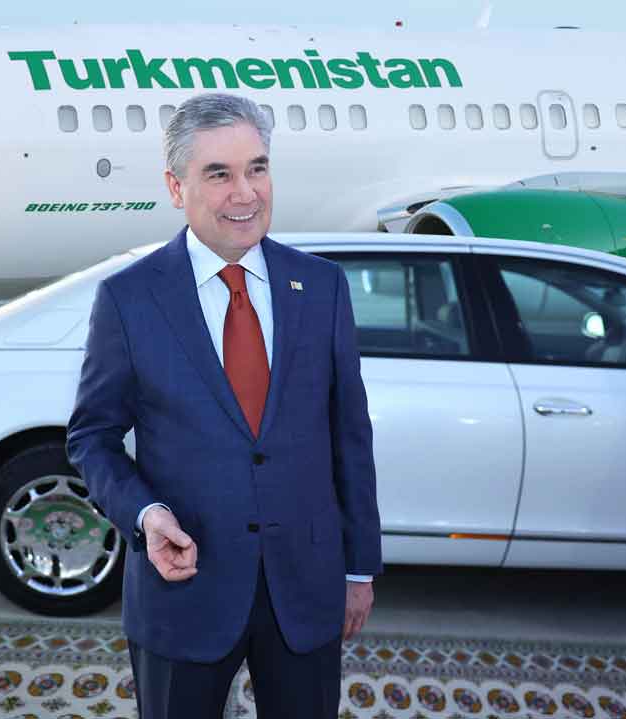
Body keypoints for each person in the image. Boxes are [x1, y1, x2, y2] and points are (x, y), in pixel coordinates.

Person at [66, 93, 382, 719]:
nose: (246, 193)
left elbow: (350, 434)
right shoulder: (130, 299)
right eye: (219, 174)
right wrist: (146, 514)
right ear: (175, 187)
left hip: (306, 587)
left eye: (257, 168)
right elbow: (92, 437)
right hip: (184, 591)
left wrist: (358, 569)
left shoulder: (322, 286)